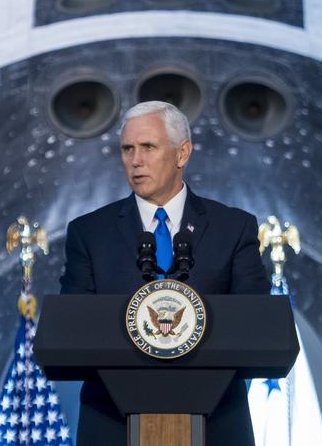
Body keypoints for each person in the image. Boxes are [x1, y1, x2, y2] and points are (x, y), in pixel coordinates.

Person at [60, 100, 269, 446]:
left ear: (182, 153)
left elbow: (256, 323)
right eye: (127, 149)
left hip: (216, 422)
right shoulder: (89, 232)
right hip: (111, 423)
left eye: (147, 147)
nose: (135, 160)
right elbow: (74, 327)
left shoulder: (233, 228)